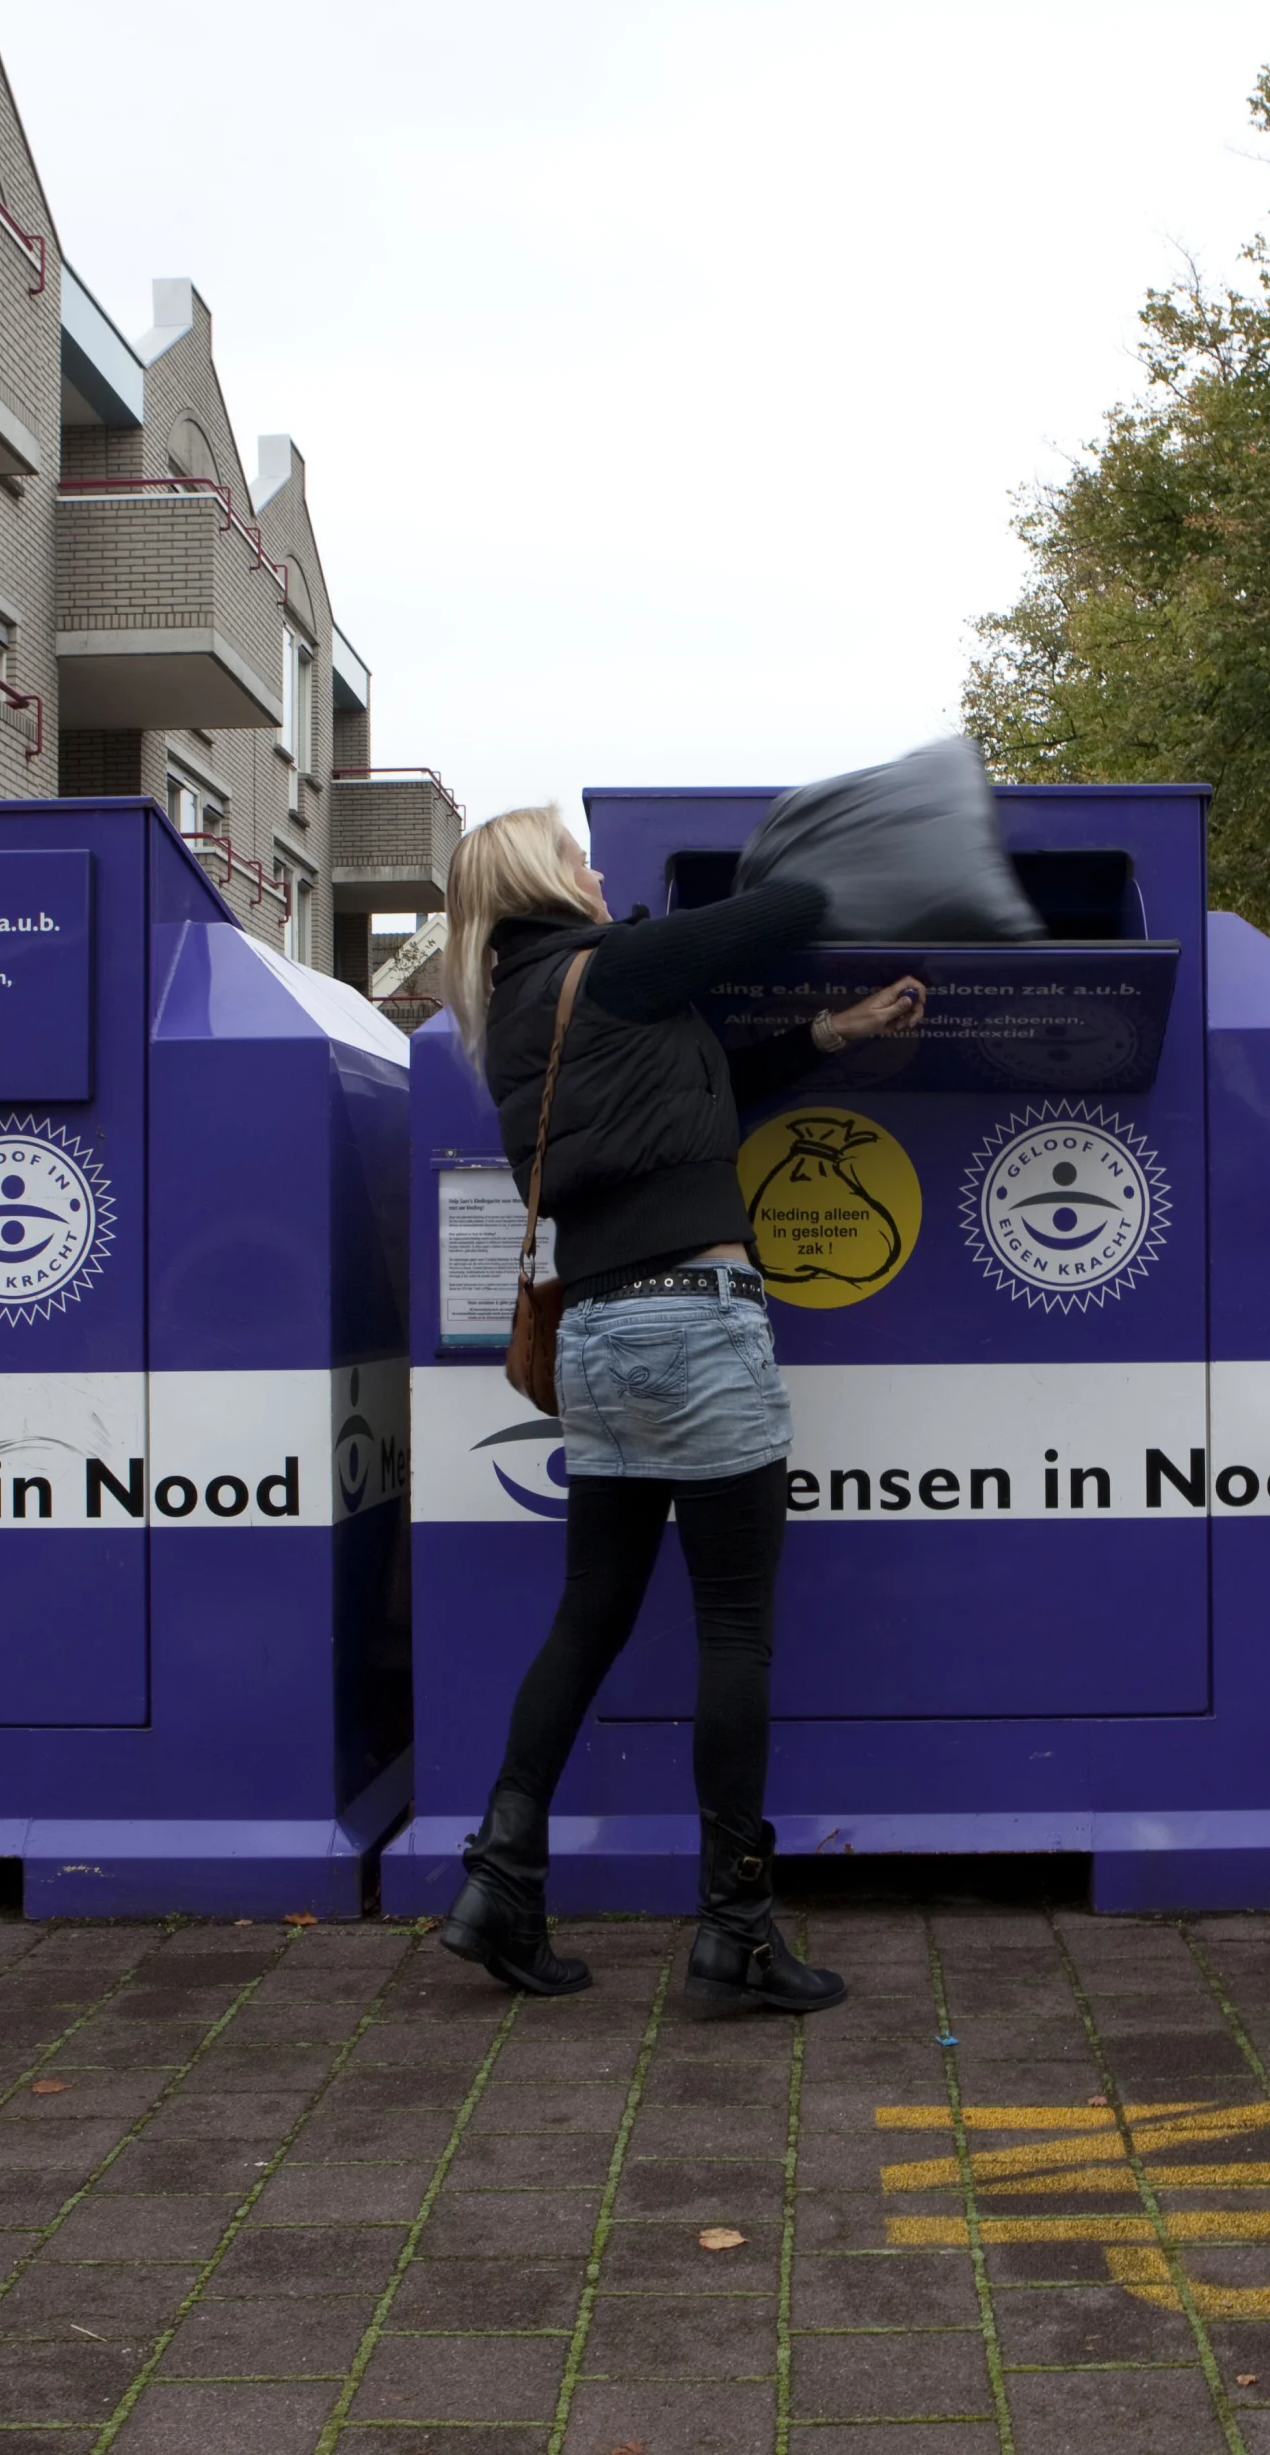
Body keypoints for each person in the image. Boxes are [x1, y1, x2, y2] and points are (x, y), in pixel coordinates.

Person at [432, 806, 927, 2010]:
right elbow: (791, 911)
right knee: (735, 1627)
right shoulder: (617, 962)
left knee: (591, 1613)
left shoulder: (516, 1010)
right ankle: (737, 1928)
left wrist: (826, 1031)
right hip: (695, 1321)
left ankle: (499, 1880)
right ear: (546, 880)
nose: (599, 871)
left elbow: (699, 1092)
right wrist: (860, 840)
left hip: (594, 1334)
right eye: (578, 854)